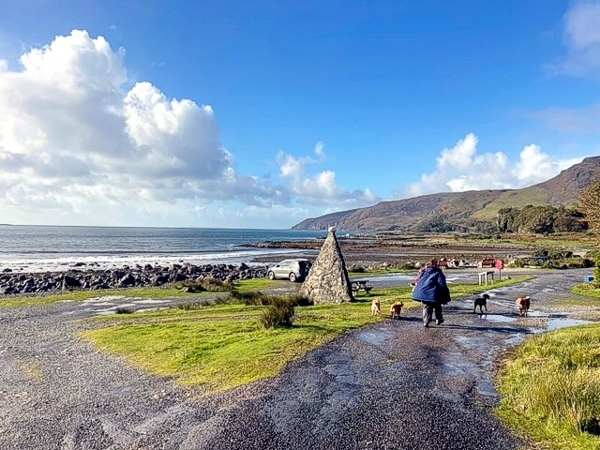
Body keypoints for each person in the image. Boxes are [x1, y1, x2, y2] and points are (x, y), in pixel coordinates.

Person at [411, 258, 451, 327]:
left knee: (426, 306)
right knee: (437, 305)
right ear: (437, 265)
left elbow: (418, 280)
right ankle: (439, 319)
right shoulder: (438, 272)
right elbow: (442, 283)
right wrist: (445, 292)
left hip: (423, 292)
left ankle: (426, 321)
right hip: (434, 293)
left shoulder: (424, 271)